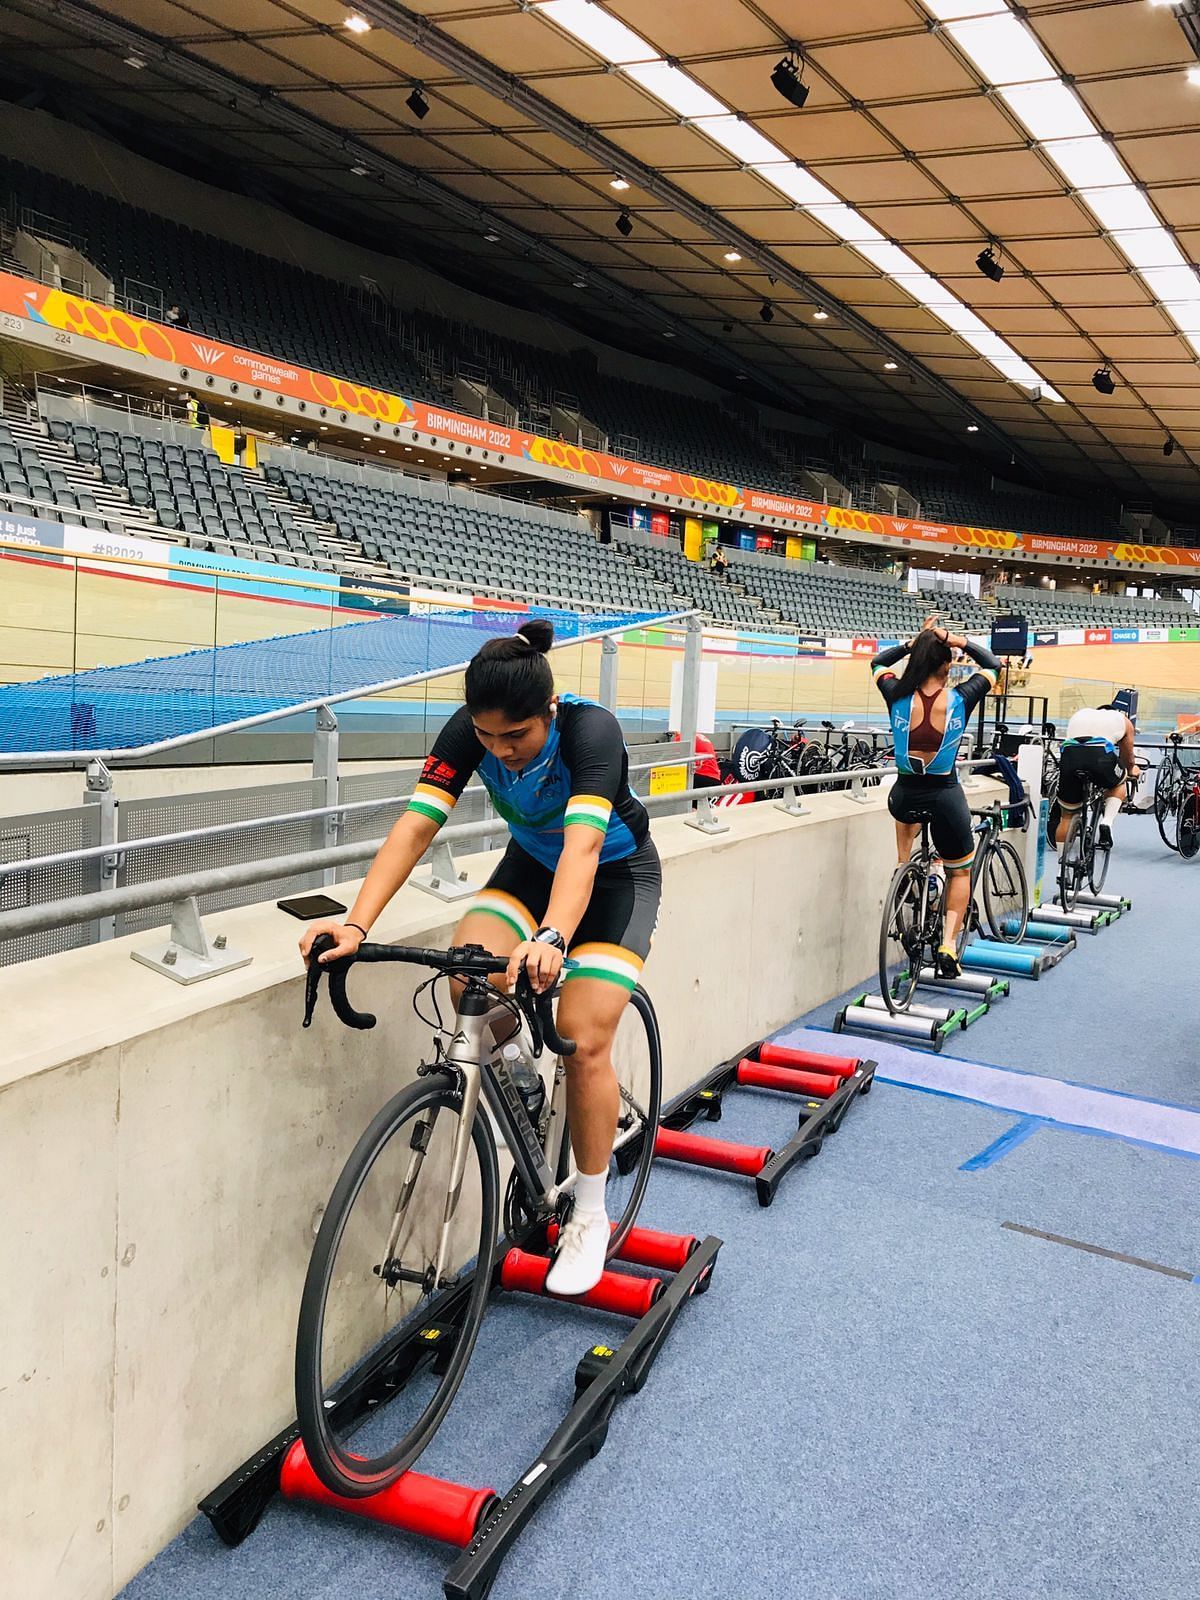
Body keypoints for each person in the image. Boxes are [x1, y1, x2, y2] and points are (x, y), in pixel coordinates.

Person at [300, 620, 661, 1297]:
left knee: (584, 1041)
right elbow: (415, 827)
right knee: (470, 972)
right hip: (529, 866)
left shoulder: (591, 733)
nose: (502, 752)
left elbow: (582, 850)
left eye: (516, 739)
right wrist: (354, 923)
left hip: (614, 878)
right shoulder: (469, 732)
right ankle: (522, 1075)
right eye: (487, 737)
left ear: (549, 714)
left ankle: (588, 1211)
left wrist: (554, 938)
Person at [871, 617, 1001, 977]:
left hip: (903, 795)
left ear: (915, 662)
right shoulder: (961, 697)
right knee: (961, 870)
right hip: (944, 796)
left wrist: (912, 645)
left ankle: (903, 866)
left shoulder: (895, 693)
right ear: (946, 666)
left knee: (906, 798)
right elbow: (993, 664)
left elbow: (878, 663)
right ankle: (947, 945)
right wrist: (953, 639)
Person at [1053, 702, 1138, 852]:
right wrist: (1131, 770)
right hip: (1100, 757)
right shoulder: (1123, 720)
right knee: (1119, 781)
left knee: (1066, 816)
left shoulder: (1080, 714)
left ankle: (1061, 867)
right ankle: (1107, 822)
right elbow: (1128, 758)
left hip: (1070, 757)